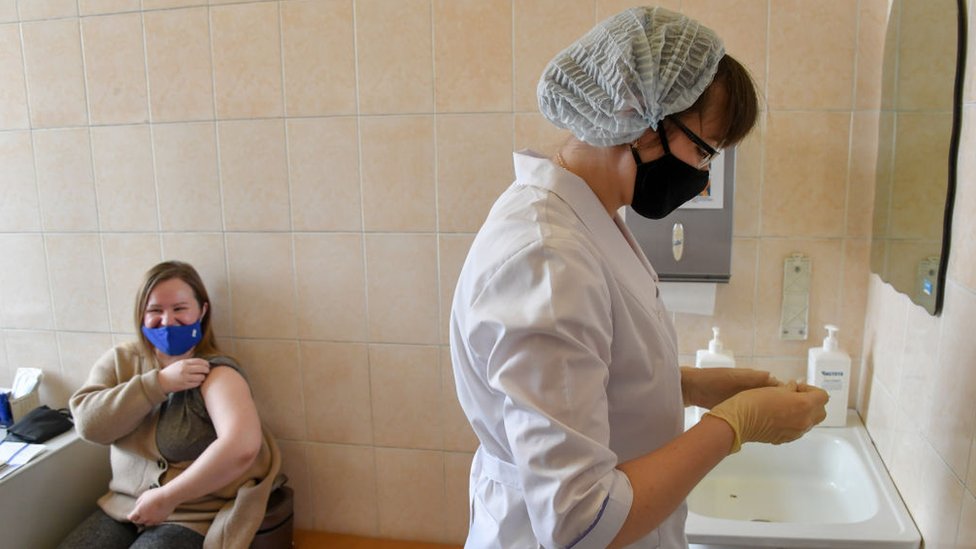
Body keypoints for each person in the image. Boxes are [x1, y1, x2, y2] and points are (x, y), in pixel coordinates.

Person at [449, 7, 829, 549]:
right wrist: (734, 426)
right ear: (638, 115)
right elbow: (579, 520)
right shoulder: (547, 259)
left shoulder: (584, 221)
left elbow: (580, 377)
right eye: (702, 150)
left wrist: (692, 385)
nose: (700, 181)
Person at [60, 261, 281, 549]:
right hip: (124, 508)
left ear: (201, 311)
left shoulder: (216, 372)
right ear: (141, 314)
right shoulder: (121, 360)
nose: (167, 321)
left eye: (179, 309)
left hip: (194, 514)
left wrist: (168, 497)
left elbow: (242, 446)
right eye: (155, 311)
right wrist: (157, 384)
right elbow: (90, 426)